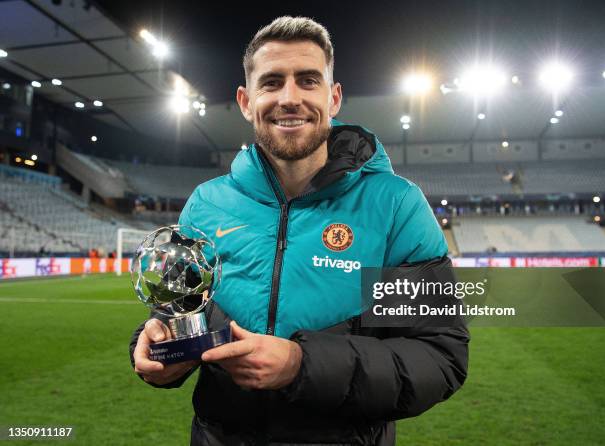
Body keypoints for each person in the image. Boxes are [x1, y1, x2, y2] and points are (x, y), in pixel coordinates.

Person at [130, 16, 469, 446]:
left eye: (308, 80)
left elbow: (439, 356)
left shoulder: (395, 205)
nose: (290, 98)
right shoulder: (206, 203)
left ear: (334, 97)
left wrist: (301, 364)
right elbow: (183, 313)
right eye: (271, 82)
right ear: (245, 100)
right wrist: (158, 341)